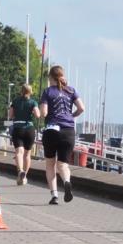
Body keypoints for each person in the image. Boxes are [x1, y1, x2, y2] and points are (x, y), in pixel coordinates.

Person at [39, 66, 85, 204]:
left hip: (52, 130)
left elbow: (44, 113)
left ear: (50, 78)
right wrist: (71, 116)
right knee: (63, 165)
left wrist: (41, 111)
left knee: (50, 164)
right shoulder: (71, 90)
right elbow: (81, 108)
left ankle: (54, 195)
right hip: (68, 131)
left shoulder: (47, 92)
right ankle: (66, 182)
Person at [9, 84, 41, 185]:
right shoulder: (33, 102)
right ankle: (24, 176)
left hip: (18, 128)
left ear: (21, 91)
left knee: (19, 152)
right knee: (27, 154)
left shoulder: (15, 101)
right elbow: (38, 115)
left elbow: (10, 115)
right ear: (30, 92)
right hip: (29, 129)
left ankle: (20, 171)